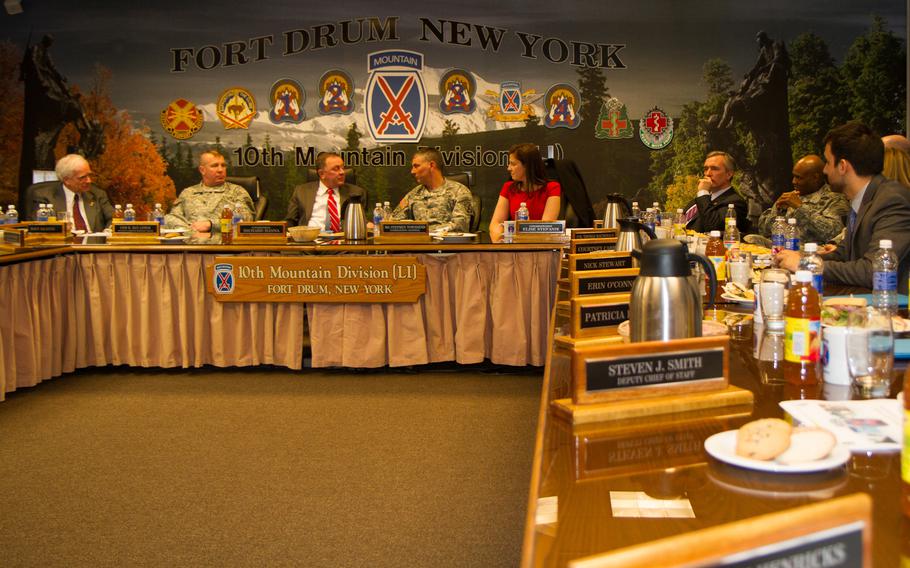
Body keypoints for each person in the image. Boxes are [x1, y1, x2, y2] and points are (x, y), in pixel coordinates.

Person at [776, 122, 910, 292]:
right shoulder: (866, 197)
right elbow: (844, 254)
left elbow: (875, 270)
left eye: (827, 162)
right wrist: (801, 257)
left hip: (893, 310)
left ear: (842, 166)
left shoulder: (892, 201)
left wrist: (806, 264)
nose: (824, 170)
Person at [748, 154, 848, 245]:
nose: (794, 181)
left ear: (815, 178)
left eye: (799, 178)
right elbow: (763, 230)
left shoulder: (835, 198)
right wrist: (778, 210)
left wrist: (800, 207)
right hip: (777, 250)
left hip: (808, 255)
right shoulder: (792, 195)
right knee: (750, 239)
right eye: (793, 176)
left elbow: (834, 232)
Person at [165, 150, 253, 243]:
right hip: (192, 247)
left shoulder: (237, 192)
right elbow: (172, 218)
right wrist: (191, 233)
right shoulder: (188, 193)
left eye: (223, 165)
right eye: (215, 166)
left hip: (225, 247)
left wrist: (211, 224)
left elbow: (246, 220)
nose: (220, 170)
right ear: (202, 170)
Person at [489, 143, 561, 242]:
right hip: (513, 248)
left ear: (527, 166)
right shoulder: (508, 187)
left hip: (540, 248)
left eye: (513, 164)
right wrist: (499, 241)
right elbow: (496, 223)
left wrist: (521, 241)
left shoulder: (552, 188)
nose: (508, 168)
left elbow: (546, 228)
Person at [391, 148, 473, 232]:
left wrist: (423, 231)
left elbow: (460, 226)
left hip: (447, 243)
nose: (412, 171)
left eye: (416, 166)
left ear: (431, 165)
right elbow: (393, 222)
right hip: (417, 243)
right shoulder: (414, 194)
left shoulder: (459, 191)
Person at [26, 153, 113, 232]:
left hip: (93, 246)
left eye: (89, 175)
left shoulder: (98, 194)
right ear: (67, 180)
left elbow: (114, 218)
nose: (89, 181)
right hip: (62, 247)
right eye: (82, 177)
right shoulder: (44, 197)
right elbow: (39, 227)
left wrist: (108, 231)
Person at [285, 152, 367, 230]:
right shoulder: (301, 191)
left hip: (343, 240)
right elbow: (290, 221)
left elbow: (363, 221)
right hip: (309, 240)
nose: (342, 172)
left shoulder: (357, 193)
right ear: (322, 174)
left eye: (343, 168)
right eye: (336, 169)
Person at [683, 151, 750, 233]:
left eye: (714, 169)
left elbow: (714, 227)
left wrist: (703, 191)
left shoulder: (736, 203)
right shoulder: (701, 199)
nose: (708, 173)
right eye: (706, 169)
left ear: (729, 174)